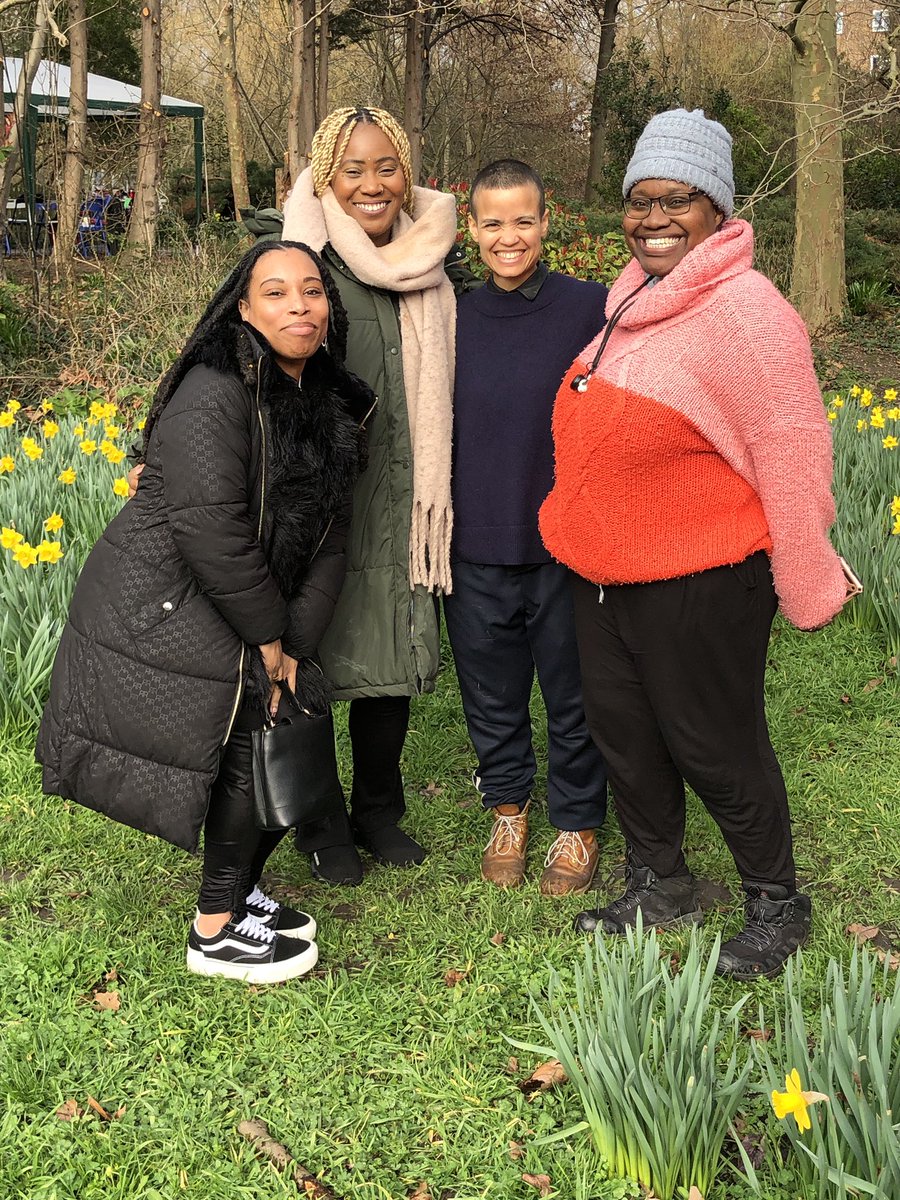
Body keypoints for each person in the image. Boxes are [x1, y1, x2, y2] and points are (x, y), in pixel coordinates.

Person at [539, 109, 856, 979]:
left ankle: (775, 901)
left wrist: (806, 577)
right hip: (604, 574)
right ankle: (660, 882)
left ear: (717, 209)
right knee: (628, 739)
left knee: (713, 742)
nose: (653, 219)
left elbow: (792, 453)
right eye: (639, 201)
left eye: (677, 200)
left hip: (701, 577)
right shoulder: (632, 298)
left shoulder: (747, 313)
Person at [37, 240, 372, 983]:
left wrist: (294, 642)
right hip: (171, 589)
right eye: (276, 293)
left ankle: (237, 894)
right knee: (253, 728)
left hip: (252, 600)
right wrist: (268, 637)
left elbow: (330, 537)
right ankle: (215, 929)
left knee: (283, 713)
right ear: (244, 308)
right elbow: (206, 525)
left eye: (311, 292)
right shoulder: (215, 388)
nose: (299, 307)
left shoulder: (333, 401)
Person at [280, 106, 460, 886]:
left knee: (392, 654)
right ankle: (321, 825)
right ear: (326, 177)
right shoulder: (298, 258)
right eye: (352, 169)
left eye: (386, 165)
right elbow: (230, 354)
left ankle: (379, 811)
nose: (372, 183)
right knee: (314, 657)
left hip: (406, 496)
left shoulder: (431, 262)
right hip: (322, 504)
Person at [444, 159, 608, 895]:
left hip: (566, 543)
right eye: (492, 222)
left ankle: (577, 823)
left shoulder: (591, 309)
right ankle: (507, 808)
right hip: (475, 540)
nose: (508, 236)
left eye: (523, 221)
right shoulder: (447, 313)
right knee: (492, 692)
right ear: (470, 228)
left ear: (546, 223)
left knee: (574, 692)